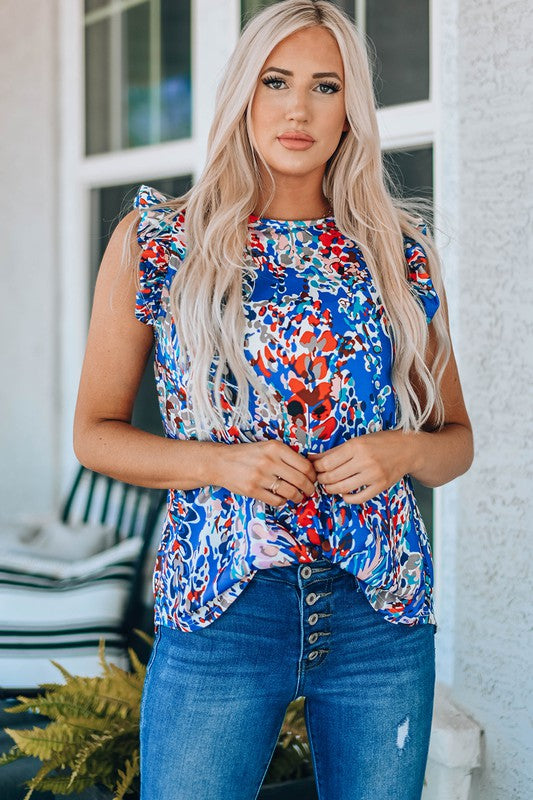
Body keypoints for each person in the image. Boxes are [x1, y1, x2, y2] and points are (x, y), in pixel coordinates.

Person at [73, 1, 474, 798]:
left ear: (350, 108)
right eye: (275, 81)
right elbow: (95, 435)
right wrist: (222, 465)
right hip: (222, 608)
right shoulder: (159, 243)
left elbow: (454, 441)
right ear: (242, 96)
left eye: (325, 86)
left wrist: (401, 452)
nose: (298, 109)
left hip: (378, 613)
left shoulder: (396, 253)